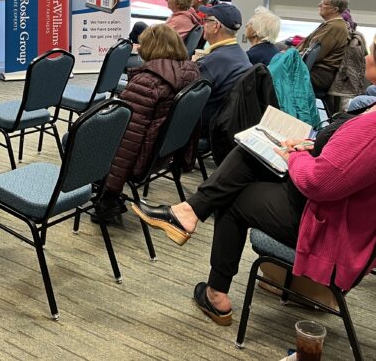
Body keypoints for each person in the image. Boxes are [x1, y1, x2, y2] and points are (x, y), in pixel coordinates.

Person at [132, 105, 376, 326]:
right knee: (248, 156)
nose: (365, 56)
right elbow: (347, 162)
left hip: (330, 228)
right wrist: (309, 147)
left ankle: (215, 292)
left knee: (231, 198)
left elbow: (318, 183)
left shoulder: (372, 127)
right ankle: (189, 211)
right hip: (329, 211)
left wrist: (297, 157)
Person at [97, 24, 200, 220]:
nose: (139, 48)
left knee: (72, 137)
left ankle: (100, 191)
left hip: (141, 158)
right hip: (162, 155)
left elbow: (127, 139)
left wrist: (111, 191)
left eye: (142, 44)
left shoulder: (147, 82)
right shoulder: (192, 75)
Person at [196, 3, 251, 127]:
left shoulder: (213, 61)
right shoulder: (240, 53)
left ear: (216, 26)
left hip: (203, 130)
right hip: (225, 125)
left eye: (206, 20)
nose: (203, 24)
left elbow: (185, 97)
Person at [297, 0, 350, 93]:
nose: (319, 5)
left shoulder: (335, 27)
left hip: (318, 74)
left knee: (271, 79)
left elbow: (311, 55)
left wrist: (289, 56)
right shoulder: (333, 24)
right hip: (315, 71)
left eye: (325, 4)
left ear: (335, 9)